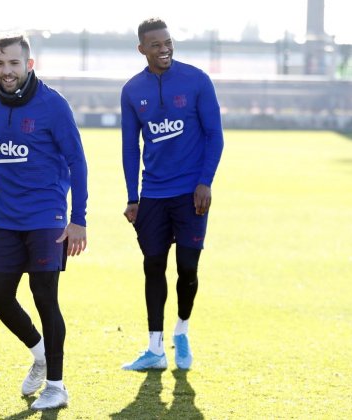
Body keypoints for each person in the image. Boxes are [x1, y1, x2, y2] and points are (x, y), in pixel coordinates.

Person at [0, 32, 88, 411]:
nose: (7, 71)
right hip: (6, 219)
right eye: (0, 64)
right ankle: (40, 354)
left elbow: (77, 161)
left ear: (29, 64)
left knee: (44, 298)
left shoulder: (53, 105)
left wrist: (78, 219)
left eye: (14, 64)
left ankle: (56, 385)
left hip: (46, 218)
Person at [120, 17, 224, 371]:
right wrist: (133, 196)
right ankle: (154, 348)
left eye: (168, 42)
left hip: (191, 193)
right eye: (156, 44)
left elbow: (215, 134)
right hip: (153, 195)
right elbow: (130, 147)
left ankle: (181, 330)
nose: (164, 49)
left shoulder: (197, 81)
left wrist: (205, 181)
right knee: (152, 266)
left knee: (188, 268)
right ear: (142, 49)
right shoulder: (132, 91)